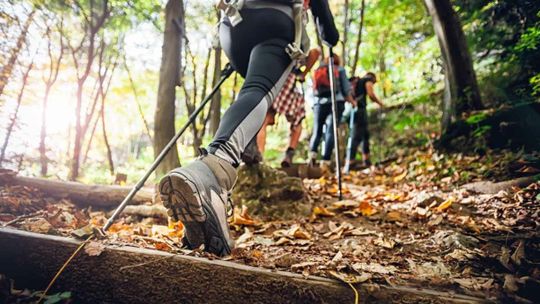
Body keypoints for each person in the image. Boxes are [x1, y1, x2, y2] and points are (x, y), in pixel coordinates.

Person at [158, 0, 339, 256]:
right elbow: (328, 32)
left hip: (232, 27)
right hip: (275, 23)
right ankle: (214, 172)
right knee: (258, 91)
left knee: (251, 90)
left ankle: (242, 160)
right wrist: (331, 38)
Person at [256, 48, 321, 167]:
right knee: (298, 120)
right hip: (287, 82)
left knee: (263, 121)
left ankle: (260, 156)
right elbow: (316, 52)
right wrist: (303, 73)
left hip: (270, 81)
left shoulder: (271, 49)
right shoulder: (296, 43)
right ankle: (289, 154)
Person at [308, 54, 356, 168]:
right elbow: (346, 89)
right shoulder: (339, 69)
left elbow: (313, 91)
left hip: (319, 104)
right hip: (336, 102)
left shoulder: (318, 70)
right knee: (331, 130)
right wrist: (353, 102)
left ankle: (312, 156)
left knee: (317, 130)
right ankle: (325, 161)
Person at [347, 72, 384, 167]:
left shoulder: (358, 82)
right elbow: (371, 94)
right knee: (357, 135)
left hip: (354, 110)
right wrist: (380, 103)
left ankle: (366, 160)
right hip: (360, 110)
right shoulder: (367, 80)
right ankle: (351, 161)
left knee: (364, 135)